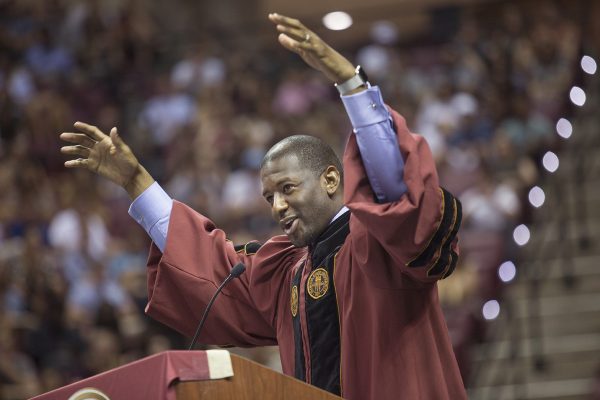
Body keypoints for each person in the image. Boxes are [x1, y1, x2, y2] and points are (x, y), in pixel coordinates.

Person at [59, 13, 466, 400]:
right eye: (270, 197)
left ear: (330, 179)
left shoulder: (379, 245)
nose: (278, 206)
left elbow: (398, 197)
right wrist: (135, 182)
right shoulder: (287, 271)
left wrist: (350, 84)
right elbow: (208, 268)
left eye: (288, 188)